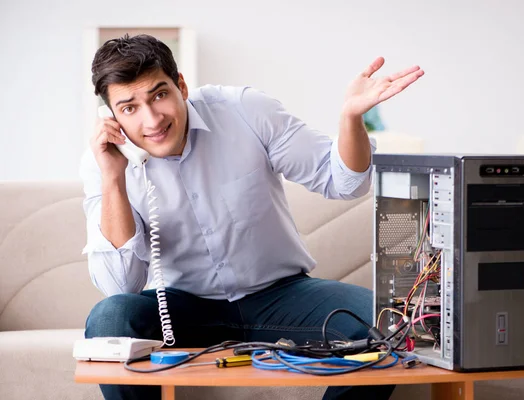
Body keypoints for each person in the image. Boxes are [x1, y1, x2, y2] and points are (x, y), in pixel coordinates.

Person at [81, 33, 424, 400]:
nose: (151, 120)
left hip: (279, 295)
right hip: (181, 307)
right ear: (112, 116)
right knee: (108, 318)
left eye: (159, 94)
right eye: (129, 108)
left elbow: (342, 181)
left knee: (389, 327)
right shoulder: (106, 164)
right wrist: (114, 177)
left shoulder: (244, 110)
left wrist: (350, 118)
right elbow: (120, 286)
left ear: (180, 85)